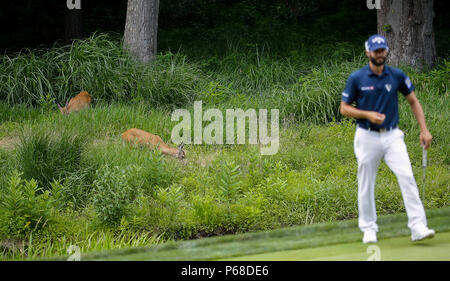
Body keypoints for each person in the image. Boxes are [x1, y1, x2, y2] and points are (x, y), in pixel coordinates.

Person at [340, 34, 435, 243]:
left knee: (407, 176)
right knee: (366, 182)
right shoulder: (357, 78)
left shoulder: (397, 75)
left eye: (382, 50)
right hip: (367, 136)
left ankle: (418, 226)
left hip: (392, 135)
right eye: (376, 51)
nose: (380, 54)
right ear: (368, 53)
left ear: (386, 51)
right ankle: (369, 228)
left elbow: (414, 102)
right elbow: (344, 108)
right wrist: (367, 114)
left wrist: (424, 130)